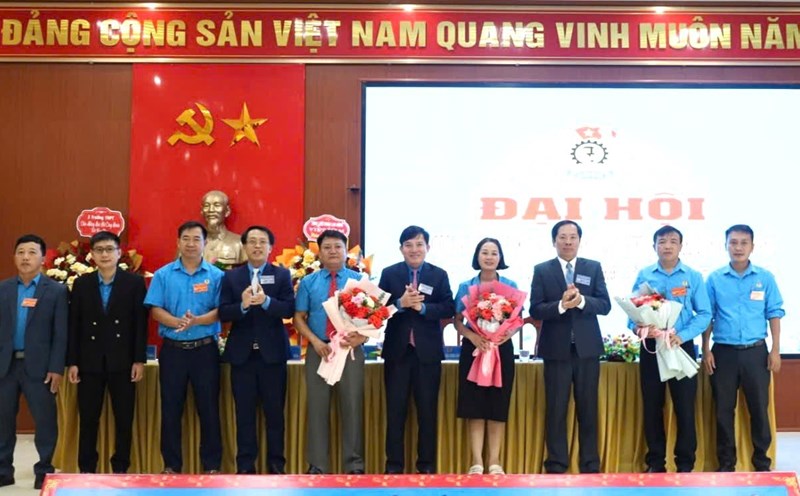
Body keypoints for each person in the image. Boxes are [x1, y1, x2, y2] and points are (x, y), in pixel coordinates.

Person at [530, 220, 611, 474]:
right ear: (553, 241)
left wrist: (582, 301)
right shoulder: (542, 270)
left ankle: (590, 464)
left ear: (579, 240)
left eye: (572, 237)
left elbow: (605, 305)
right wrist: (562, 305)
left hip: (587, 350)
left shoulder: (593, 267)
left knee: (588, 408)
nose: (567, 241)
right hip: (556, 351)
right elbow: (535, 308)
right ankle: (556, 463)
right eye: (562, 237)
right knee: (556, 408)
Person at [144, 221, 224, 474]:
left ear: (205, 243)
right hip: (174, 351)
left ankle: (211, 466)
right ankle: (171, 465)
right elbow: (155, 309)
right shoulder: (163, 275)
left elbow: (221, 310)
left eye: (196, 239)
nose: (191, 244)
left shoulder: (216, 275)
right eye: (186, 239)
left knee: (209, 409)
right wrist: (178, 322)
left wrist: (197, 321)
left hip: (205, 351)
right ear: (178, 242)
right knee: (170, 409)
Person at [630, 225, 711, 473]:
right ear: (654, 246)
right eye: (662, 241)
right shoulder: (645, 275)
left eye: (673, 241)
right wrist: (641, 328)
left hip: (681, 346)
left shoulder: (693, 276)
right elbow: (632, 315)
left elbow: (705, 314)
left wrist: (682, 335)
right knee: (653, 406)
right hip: (652, 348)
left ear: (681, 246)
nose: (667, 246)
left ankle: (685, 463)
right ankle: (656, 462)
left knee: (685, 407)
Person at [703, 224, 783, 472]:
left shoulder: (765, 277)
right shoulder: (715, 278)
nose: (738, 247)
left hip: (756, 352)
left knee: (759, 409)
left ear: (752, 246)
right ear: (726, 245)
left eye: (743, 243)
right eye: (733, 242)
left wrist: (776, 349)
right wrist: (705, 350)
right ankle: (726, 464)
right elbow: (708, 316)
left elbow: (774, 313)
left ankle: (762, 462)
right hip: (723, 353)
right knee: (723, 410)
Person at [67, 231, 147, 474]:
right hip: (89, 362)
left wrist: (139, 359)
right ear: (91, 254)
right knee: (89, 420)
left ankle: (121, 468)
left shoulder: (133, 283)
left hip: (123, 362)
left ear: (119, 253)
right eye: (99, 249)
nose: (104, 254)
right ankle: (87, 469)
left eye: (109, 249)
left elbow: (140, 324)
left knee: (124, 419)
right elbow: (74, 325)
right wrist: (72, 362)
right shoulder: (82, 284)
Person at [219, 226, 295, 475]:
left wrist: (266, 302)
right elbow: (223, 311)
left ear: (271, 248)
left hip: (272, 356)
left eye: (263, 242)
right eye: (252, 241)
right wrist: (241, 305)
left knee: (275, 415)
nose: (257, 246)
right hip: (242, 357)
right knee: (244, 415)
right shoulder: (232, 277)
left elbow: (288, 310)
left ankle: (276, 466)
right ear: (244, 246)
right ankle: (245, 467)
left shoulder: (282, 275)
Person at [380, 226, 454, 474]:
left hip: (428, 355)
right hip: (397, 354)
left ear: (427, 248)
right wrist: (401, 303)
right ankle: (394, 467)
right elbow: (378, 310)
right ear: (401, 248)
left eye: (419, 244)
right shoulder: (389, 274)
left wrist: (422, 308)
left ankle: (427, 467)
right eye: (409, 244)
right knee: (395, 413)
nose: (414, 249)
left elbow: (448, 307)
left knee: (427, 413)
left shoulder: (438, 275)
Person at [293, 229, 366, 474]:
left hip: (351, 352)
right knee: (317, 408)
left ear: (346, 251)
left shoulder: (359, 281)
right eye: (327, 247)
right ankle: (317, 466)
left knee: (352, 407)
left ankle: (354, 465)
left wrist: (360, 338)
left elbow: (375, 319)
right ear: (320, 253)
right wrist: (314, 342)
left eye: (338, 247)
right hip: (319, 350)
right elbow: (298, 317)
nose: (333, 251)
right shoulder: (308, 282)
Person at [0, 234, 68, 489]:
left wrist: (56, 368)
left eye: (31, 252)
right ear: (14, 257)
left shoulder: (56, 291)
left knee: (45, 421)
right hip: (5, 367)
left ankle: (45, 470)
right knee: (3, 421)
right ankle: (4, 469)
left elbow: (61, 334)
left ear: (42, 257)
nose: (25, 257)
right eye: (20, 252)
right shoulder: (3, 289)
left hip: (40, 368)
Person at [454, 238, 521, 475]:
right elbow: (457, 322)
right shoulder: (466, 286)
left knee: (497, 404)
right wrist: (471, 337)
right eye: (485, 252)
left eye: (494, 253)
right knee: (475, 405)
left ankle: (494, 461)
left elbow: (517, 321)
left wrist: (507, 334)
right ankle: (476, 462)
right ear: (477, 256)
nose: (490, 257)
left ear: (500, 257)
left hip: (501, 350)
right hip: (474, 349)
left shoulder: (511, 285)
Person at [201, 190, 246, 266]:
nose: (211, 210)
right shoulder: (190, 243)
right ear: (202, 211)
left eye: (217, 205)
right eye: (206, 206)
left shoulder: (240, 243)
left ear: (227, 211)